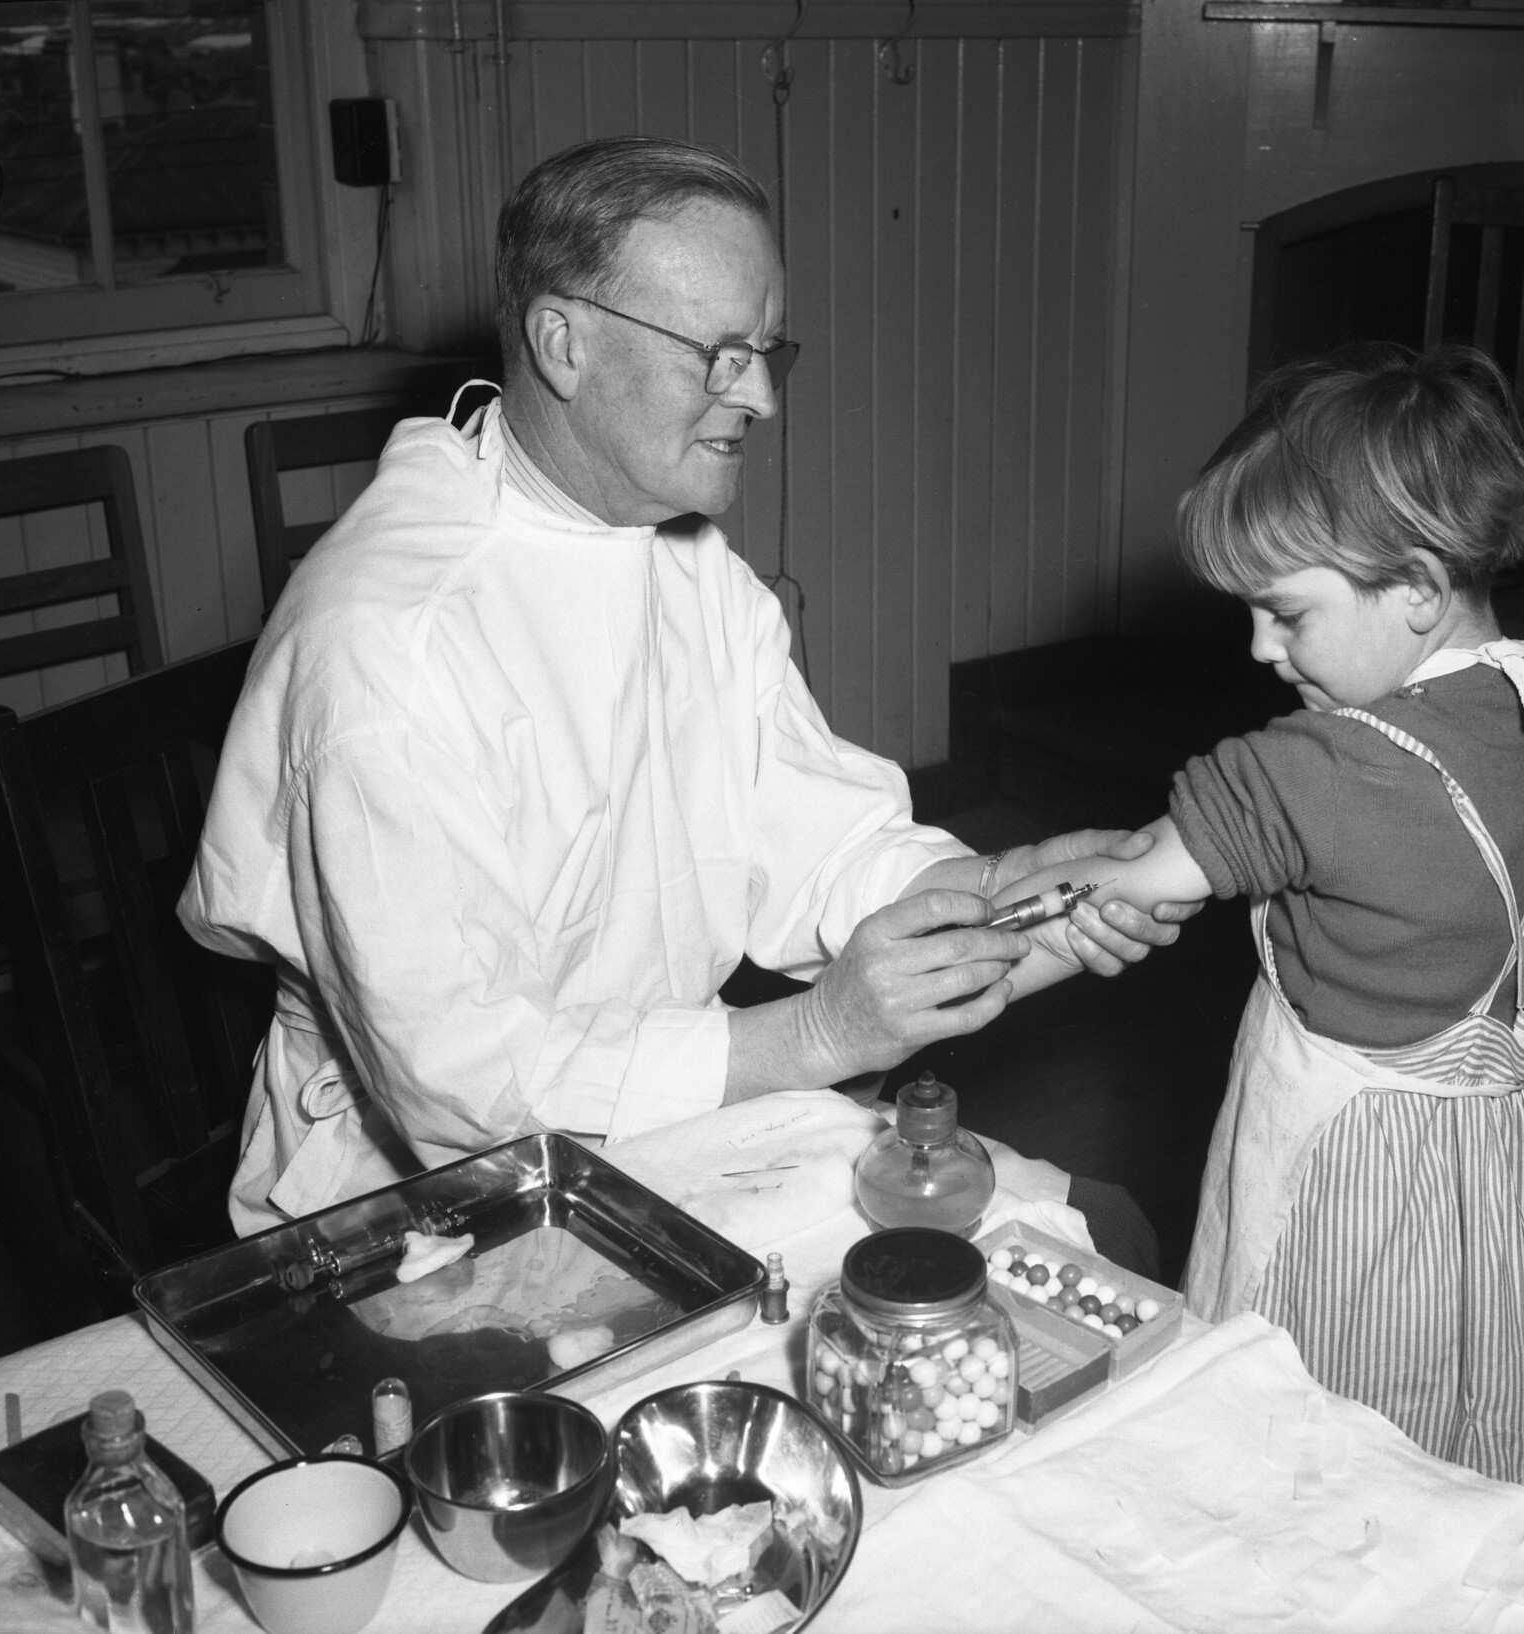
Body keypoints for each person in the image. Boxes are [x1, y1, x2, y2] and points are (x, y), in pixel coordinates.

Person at [179, 135, 1187, 1248]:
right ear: (561, 341)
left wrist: (991, 888)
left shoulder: (677, 557)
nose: (756, 394)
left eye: (765, 349)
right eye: (715, 352)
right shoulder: (389, 645)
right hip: (423, 1200)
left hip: (665, 1114)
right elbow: (455, 1087)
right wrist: (809, 1037)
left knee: (1086, 1242)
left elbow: (813, 837)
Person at [993, 342, 1524, 1500]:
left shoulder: (1311, 767)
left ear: (1412, 584)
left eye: (1284, 611)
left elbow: (1122, 880)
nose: (1259, 649)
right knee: (1442, 1442)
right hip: (1496, 1171)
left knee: (1285, 1424)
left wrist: (972, 929)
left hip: (1329, 1172)